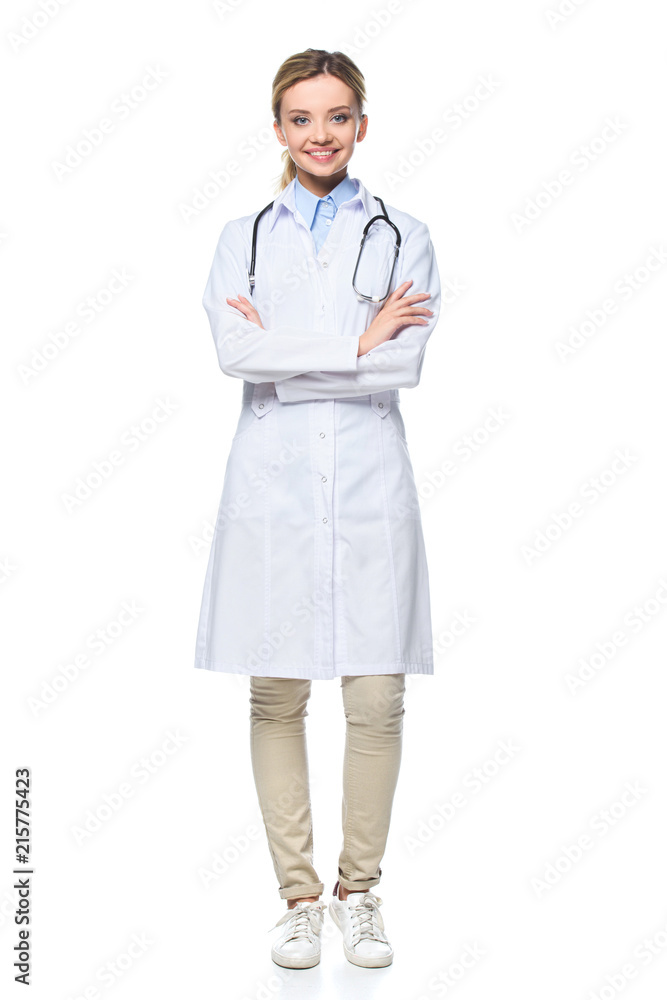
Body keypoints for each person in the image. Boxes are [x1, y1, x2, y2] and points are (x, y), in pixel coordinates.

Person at [195, 47, 441, 969]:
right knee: (277, 690)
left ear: (361, 125)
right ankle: (299, 900)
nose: (320, 134)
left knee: (376, 696)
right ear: (278, 129)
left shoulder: (403, 234)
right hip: (275, 488)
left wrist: (294, 360)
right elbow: (235, 353)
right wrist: (353, 345)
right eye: (302, 119)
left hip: (370, 481)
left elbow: (401, 364)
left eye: (337, 116)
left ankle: (359, 893)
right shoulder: (243, 238)